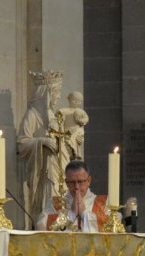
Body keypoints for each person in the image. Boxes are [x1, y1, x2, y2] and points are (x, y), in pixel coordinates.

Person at [17, 70, 64, 227]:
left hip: (58, 167)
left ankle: (59, 226)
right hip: (42, 170)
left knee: (59, 197)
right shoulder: (33, 115)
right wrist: (42, 141)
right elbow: (22, 143)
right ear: (47, 94)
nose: (58, 97)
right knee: (46, 199)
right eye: (56, 93)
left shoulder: (53, 115)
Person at [38, 160, 108, 231]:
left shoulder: (103, 203)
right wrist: (71, 214)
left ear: (88, 181)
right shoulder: (55, 203)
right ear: (67, 182)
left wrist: (84, 213)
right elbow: (42, 226)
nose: (76, 186)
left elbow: (110, 229)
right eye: (72, 182)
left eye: (80, 181)